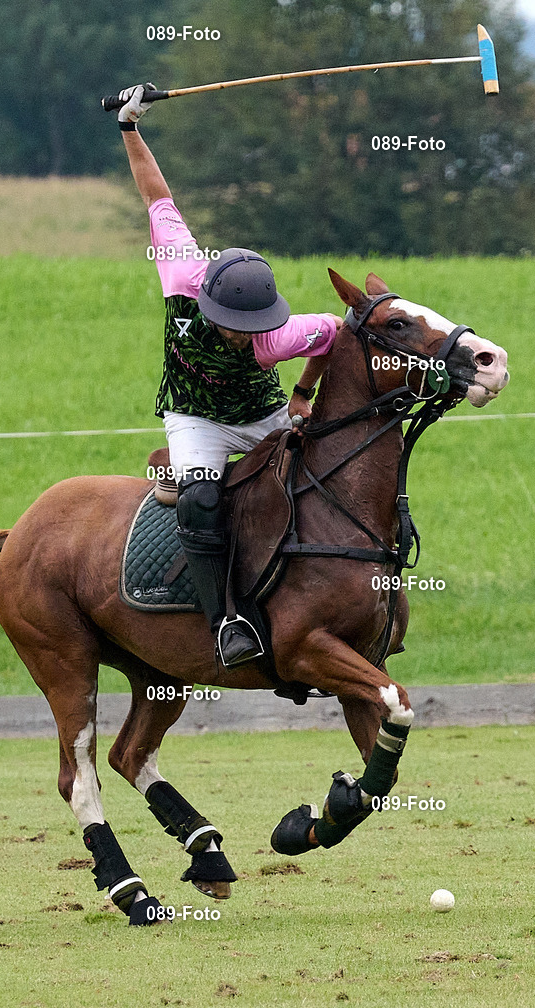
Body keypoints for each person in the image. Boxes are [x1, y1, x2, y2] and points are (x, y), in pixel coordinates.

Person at [117, 84, 343, 668]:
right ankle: (225, 622)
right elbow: (156, 196)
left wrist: (302, 393)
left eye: (254, 327)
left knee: (321, 472)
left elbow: (336, 333)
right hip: (195, 418)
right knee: (199, 498)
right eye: (235, 326)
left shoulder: (281, 335)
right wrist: (130, 128)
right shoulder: (181, 271)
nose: (245, 336)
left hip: (262, 414)